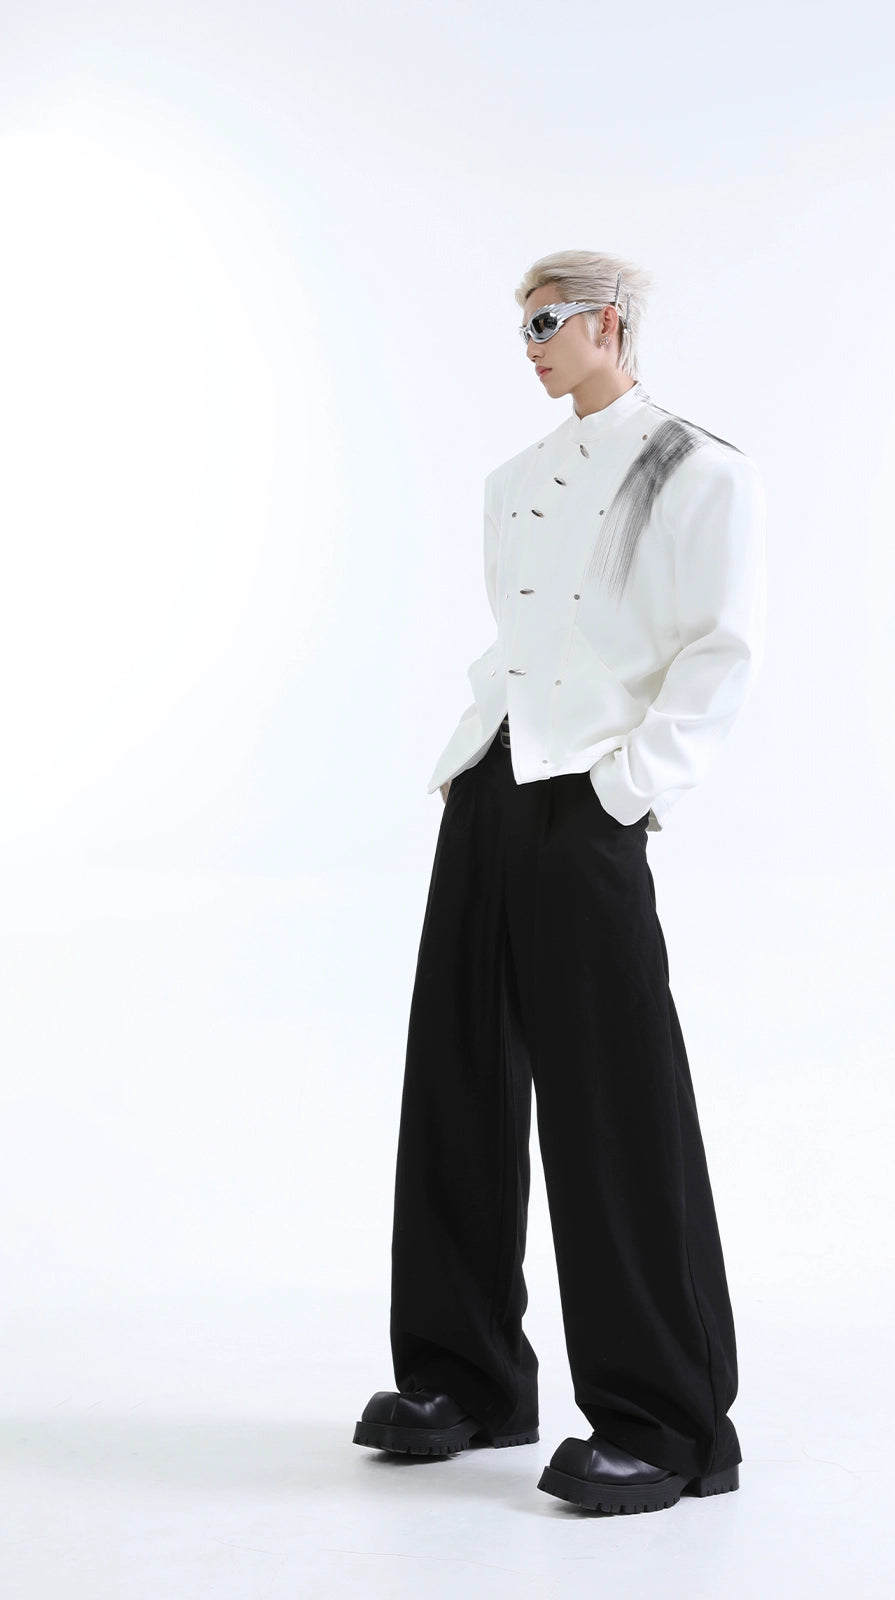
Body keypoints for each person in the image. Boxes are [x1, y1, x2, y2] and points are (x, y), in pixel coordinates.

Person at [352, 249, 767, 1515]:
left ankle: (669, 1420)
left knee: (613, 1101)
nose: (529, 344)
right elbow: (523, 639)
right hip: (492, 778)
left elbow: (719, 649)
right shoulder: (514, 480)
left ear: (610, 322)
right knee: (458, 1078)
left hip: (591, 792)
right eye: (521, 325)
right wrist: (474, 761)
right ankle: (466, 1375)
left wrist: (629, 789)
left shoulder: (696, 467)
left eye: (548, 321)